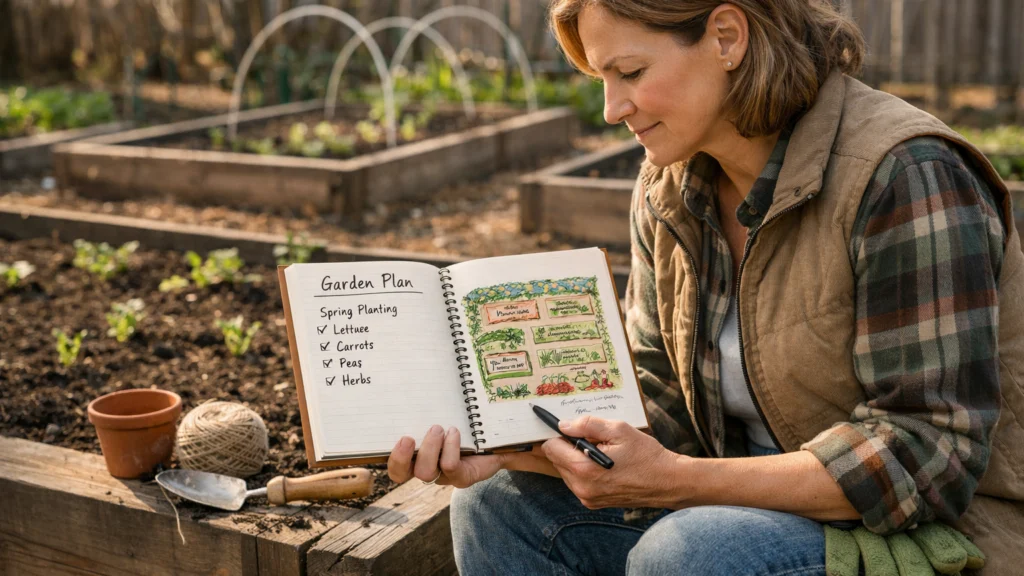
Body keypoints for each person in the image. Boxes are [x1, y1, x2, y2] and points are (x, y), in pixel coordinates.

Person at [387, 1, 1024, 574]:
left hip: (927, 533)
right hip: (726, 506)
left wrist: (679, 482)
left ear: (726, 37)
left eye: (630, 72)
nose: (611, 109)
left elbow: (928, 453)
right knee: (496, 506)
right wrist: (505, 447)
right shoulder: (670, 187)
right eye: (602, 79)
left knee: (690, 551)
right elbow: (659, 397)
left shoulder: (906, 175)